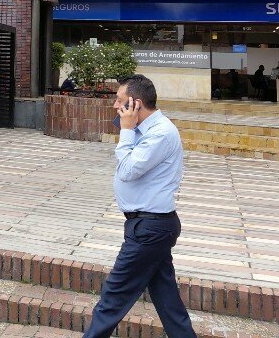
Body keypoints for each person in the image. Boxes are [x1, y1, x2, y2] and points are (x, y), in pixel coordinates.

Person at [82, 74, 197, 338]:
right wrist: (129, 127)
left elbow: (128, 170)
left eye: (119, 101)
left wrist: (126, 129)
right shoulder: (143, 130)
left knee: (113, 298)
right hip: (147, 225)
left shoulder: (161, 133)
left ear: (135, 104)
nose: (114, 107)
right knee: (168, 302)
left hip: (150, 228)